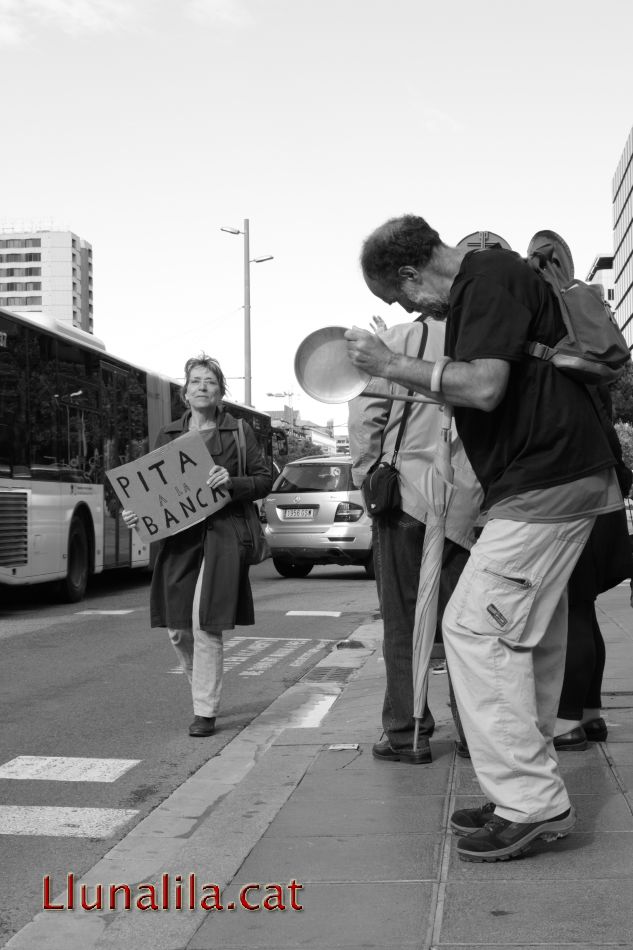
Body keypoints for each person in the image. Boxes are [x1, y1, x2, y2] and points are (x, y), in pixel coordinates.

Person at [345, 215, 624, 862]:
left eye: (399, 298)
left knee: (472, 629)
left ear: (412, 274)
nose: (408, 309)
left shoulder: (484, 280)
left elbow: (485, 386)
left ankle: (530, 803)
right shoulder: (490, 283)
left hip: (547, 483)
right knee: (515, 636)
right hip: (554, 481)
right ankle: (519, 793)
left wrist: (390, 363)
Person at [348, 313, 482, 764]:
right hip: (468, 502)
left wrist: (368, 476)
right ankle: (473, 735)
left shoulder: (399, 338)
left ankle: (408, 733)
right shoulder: (486, 340)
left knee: (403, 622)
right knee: (467, 627)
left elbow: (366, 416)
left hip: (405, 494)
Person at [122, 354, 272, 737]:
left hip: (223, 535)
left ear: (220, 392)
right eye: (195, 381)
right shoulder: (169, 436)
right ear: (184, 393)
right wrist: (136, 514)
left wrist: (232, 482)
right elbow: (151, 492)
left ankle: (204, 710)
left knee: (206, 624)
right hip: (180, 539)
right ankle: (200, 692)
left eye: (210, 381)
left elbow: (262, 480)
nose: (202, 386)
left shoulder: (237, 431)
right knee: (179, 629)